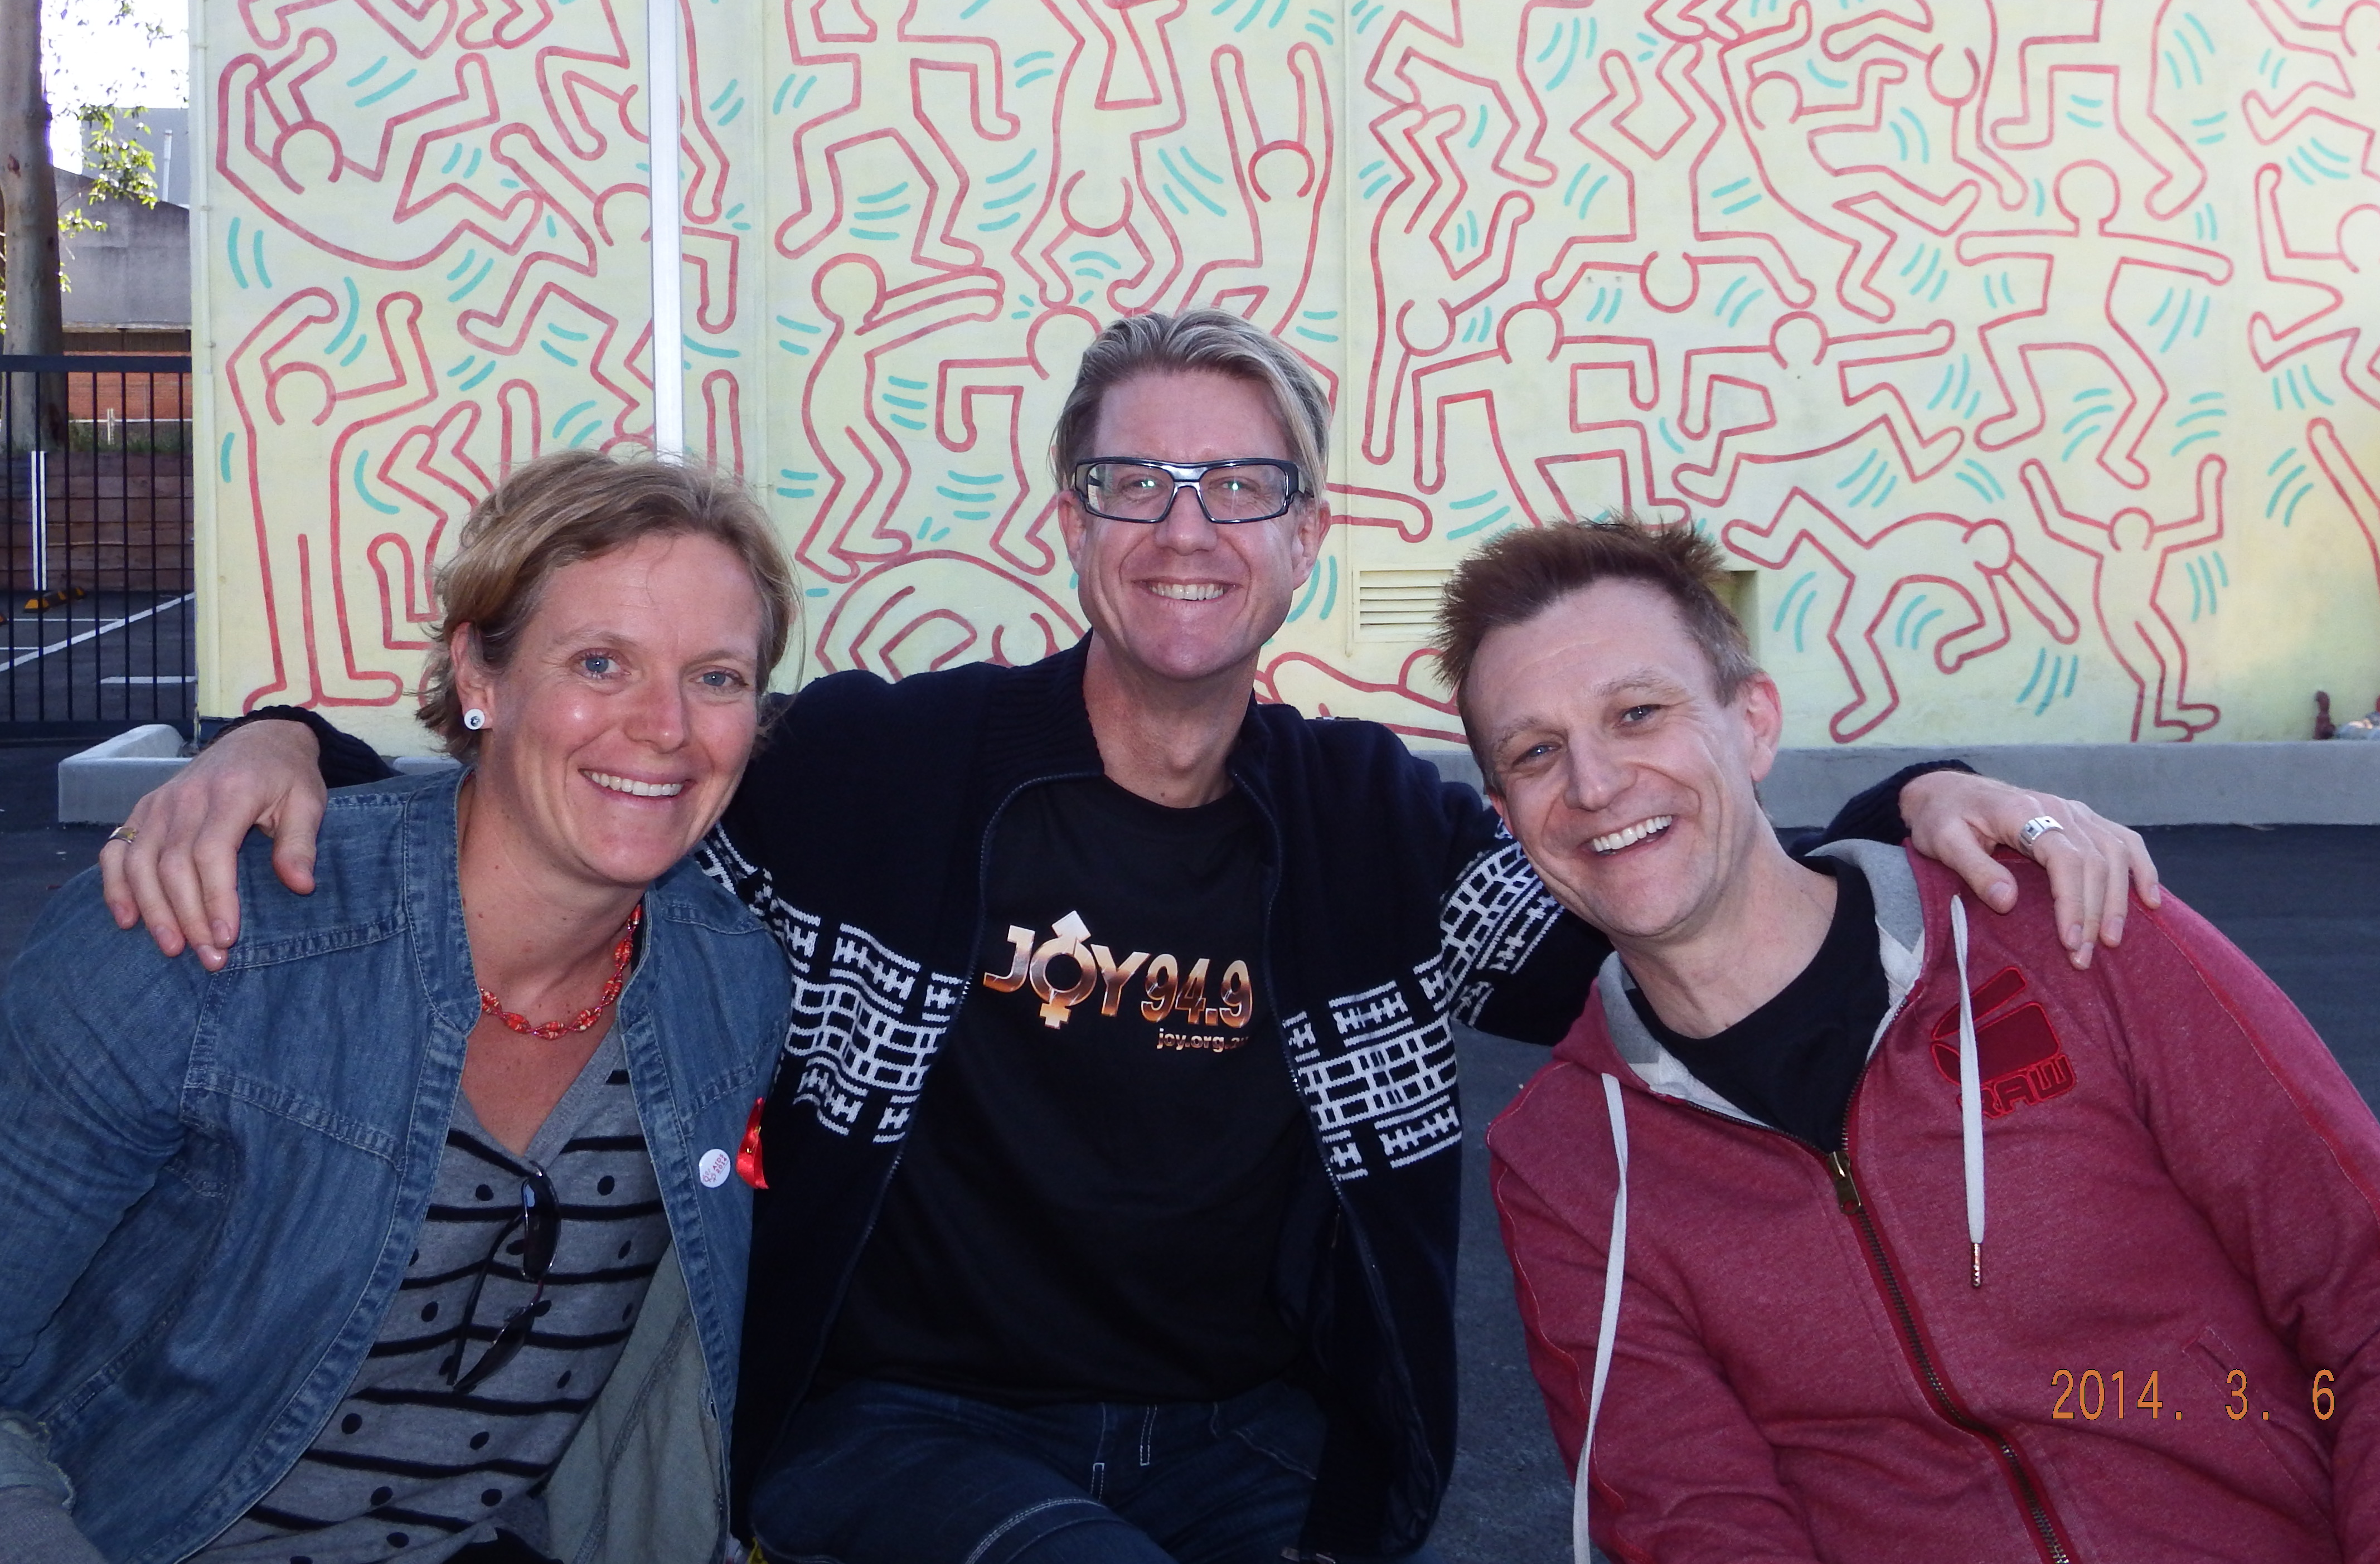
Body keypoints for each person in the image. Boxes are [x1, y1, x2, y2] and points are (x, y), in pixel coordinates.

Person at [103, 312, 2161, 1564]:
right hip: (900, 1423)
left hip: (1252, 1438)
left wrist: (1907, 806)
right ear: (1073, 522)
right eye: (1137, 483)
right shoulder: (881, 773)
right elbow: (590, 772)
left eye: (1240, 486)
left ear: (1303, 539)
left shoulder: (1375, 827)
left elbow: (1664, 898)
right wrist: (282, 741)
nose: (1187, 527)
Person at [1439, 517, 2380, 1563]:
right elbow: (1698, 1524)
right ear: (1505, 811)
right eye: (1538, 751)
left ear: (1755, 722)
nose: (1594, 785)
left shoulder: (2070, 931)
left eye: (1638, 713)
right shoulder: (1568, 1165)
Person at [0, 452, 798, 1564]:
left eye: (715, 677)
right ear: (480, 674)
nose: (666, 726)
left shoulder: (731, 983)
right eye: (600, 661)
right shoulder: (202, 937)